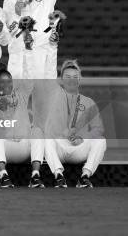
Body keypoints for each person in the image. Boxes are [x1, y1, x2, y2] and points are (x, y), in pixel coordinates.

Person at [44, 60, 106, 188]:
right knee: (45, 139)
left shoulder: (88, 102)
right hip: (60, 147)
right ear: (61, 80)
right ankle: (59, 176)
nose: (71, 80)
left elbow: (98, 129)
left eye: (75, 77)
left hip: (79, 147)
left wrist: (82, 137)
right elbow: (47, 128)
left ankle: (85, 176)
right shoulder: (52, 101)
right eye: (67, 77)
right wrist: (61, 132)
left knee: (101, 141)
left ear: (79, 80)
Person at [0, 64, 46, 188]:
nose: (6, 85)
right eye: (1, 82)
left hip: (24, 148)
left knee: (37, 131)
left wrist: (28, 50)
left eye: (9, 81)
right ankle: (3, 176)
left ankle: (35, 176)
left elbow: (29, 78)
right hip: (6, 149)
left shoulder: (22, 95)